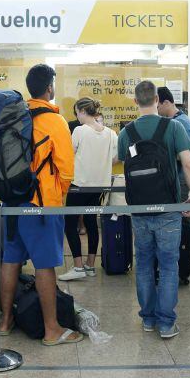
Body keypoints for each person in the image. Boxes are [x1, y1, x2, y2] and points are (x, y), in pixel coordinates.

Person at [0, 64, 83, 346]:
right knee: (44, 265)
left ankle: (5, 322)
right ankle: (52, 330)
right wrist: (58, 197)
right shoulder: (54, 121)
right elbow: (67, 170)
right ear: (50, 87)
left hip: (11, 201)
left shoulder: (14, 116)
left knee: (10, 260)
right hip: (41, 204)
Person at [118, 80, 190, 339]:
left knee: (143, 264)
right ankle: (166, 323)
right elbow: (187, 164)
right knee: (168, 265)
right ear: (156, 98)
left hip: (139, 209)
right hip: (168, 208)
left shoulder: (126, 133)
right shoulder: (172, 126)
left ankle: (148, 319)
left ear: (135, 101)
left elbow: (123, 162)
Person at [59, 97, 118, 281]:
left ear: (83, 111)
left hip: (79, 185)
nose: (77, 116)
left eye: (77, 112)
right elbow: (115, 158)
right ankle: (90, 265)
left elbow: (70, 154)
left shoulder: (79, 131)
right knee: (92, 222)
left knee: (70, 223)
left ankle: (77, 267)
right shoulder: (111, 133)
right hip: (100, 185)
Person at [157, 86, 190, 286]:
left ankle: (182, 271)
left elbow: (182, 158)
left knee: (181, 224)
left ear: (166, 102)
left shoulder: (182, 124)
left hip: (179, 182)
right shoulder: (170, 122)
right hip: (169, 181)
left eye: (157, 105)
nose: (156, 110)